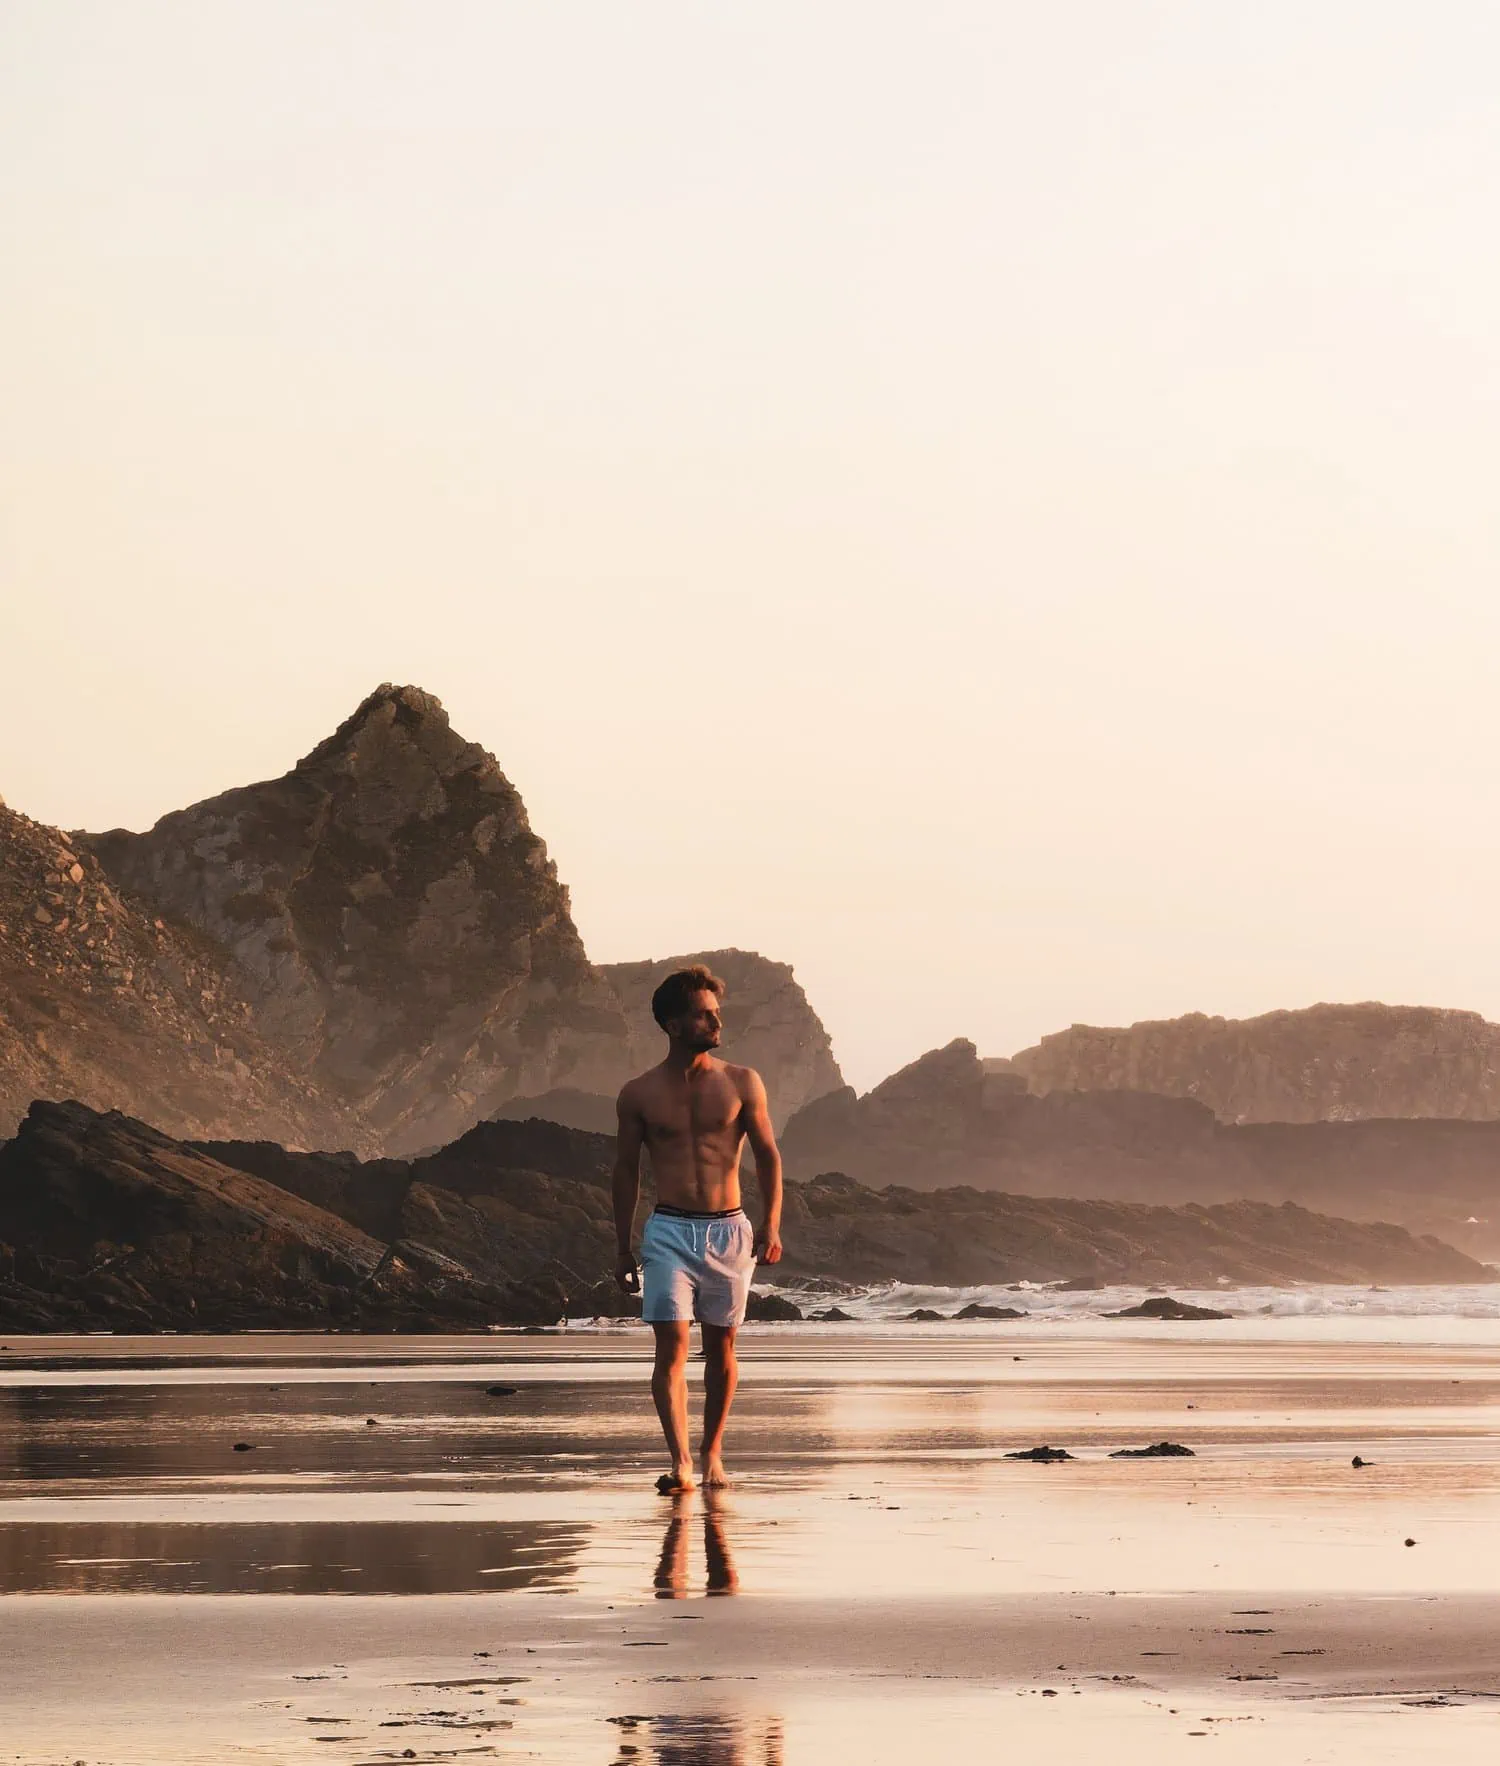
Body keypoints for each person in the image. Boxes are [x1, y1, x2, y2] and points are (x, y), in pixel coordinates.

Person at [612, 963, 784, 1492]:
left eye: (716, 1013)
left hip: (730, 1230)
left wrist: (771, 1223)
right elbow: (625, 1171)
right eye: (705, 1015)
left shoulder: (741, 1082)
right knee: (671, 1344)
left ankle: (712, 1455)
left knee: (723, 1345)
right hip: (668, 1230)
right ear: (673, 1024)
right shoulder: (638, 1093)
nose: (716, 1023)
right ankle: (680, 1461)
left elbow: (768, 1155)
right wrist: (622, 1247)